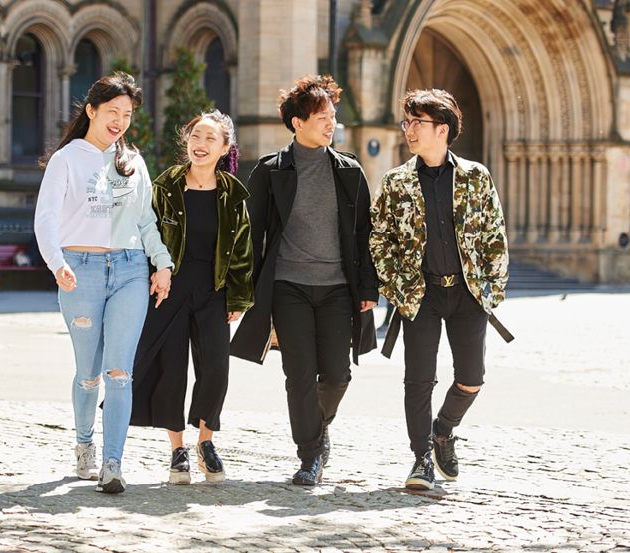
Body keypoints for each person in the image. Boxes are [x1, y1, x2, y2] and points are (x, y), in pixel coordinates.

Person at [230, 75, 379, 486]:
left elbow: (365, 233)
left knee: (337, 374)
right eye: (322, 117)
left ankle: (317, 426)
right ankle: (310, 455)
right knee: (299, 373)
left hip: (336, 288)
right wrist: (243, 292)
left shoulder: (349, 171)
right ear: (297, 122)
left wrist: (368, 288)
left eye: (333, 117)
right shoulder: (270, 170)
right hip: (287, 286)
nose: (331, 124)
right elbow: (251, 235)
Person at [34, 72, 174, 494]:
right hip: (80, 270)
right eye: (112, 111)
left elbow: (145, 220)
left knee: (119, 373)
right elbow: (46, 219)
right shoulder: (66, 160)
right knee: (88, 373)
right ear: (91, 110)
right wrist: (57, 263)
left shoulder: (132, 161)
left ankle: (112, 463)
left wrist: (162, 264)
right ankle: (84, 444)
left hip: (130, 269)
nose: (119, 120)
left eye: (127, 114)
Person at [369, 88, 510, 491]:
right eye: (407, 122)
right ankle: (421, 461)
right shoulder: (396, 182)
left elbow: (494, 234)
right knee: (418, 381)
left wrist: (489, 288)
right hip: (421, 295)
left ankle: (443, 431)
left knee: (471, 379)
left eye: (418, 122)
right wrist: (401, 286)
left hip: (467, 294)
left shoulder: (475, 176)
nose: (409, 130)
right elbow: (380, 241)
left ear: (442, 129)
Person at [130, 110, 254, 485]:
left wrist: (239, 297)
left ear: (224, 148)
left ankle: (206, 443)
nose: (201, 145)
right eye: (195, 136)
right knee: (171, 369)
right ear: (186, 141)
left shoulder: (233, 193)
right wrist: (153, 275)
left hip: (214, 292)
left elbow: (243, 250)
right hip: (169, 290)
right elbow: (145, 236)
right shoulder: (165, 188)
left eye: (210, 139)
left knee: (216, 366)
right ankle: (177, 450)